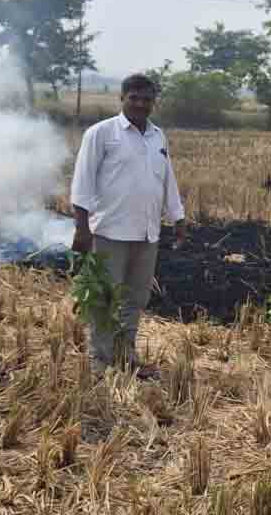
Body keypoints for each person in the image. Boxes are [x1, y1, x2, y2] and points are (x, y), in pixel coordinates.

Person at [70, 73, 185, 376]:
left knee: (135, 298)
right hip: (109, 230)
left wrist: (178, 217)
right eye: (134, 98)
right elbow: (82, 182)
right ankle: (99, 360)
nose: (140, 104)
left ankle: (126, 355)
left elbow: (166, 179)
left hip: (147, 232)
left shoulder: (158, 136)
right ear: (121, 99)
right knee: (104, 298)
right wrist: (82, 228)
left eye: (147, 99)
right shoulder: (101, 133)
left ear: (153, 103)